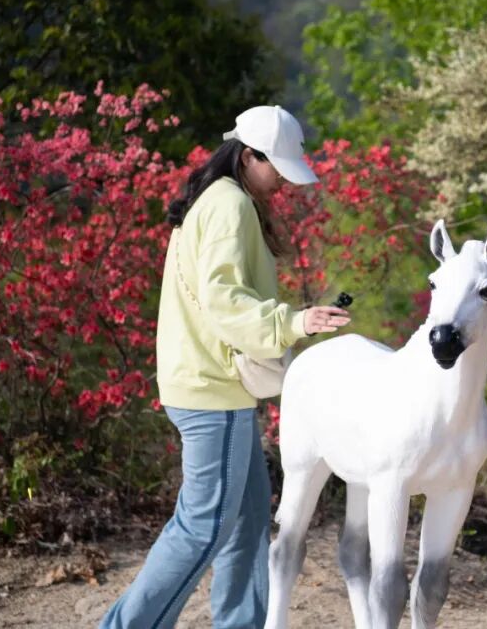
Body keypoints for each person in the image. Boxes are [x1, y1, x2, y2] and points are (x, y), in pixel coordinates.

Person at [99, 105, 351, 629]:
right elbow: (226, 301)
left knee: (248, 519)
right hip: (213, 392)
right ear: (248, 155)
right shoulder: (231, 205)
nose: (283, 181)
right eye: (277, 168)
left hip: (210, 386)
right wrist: (297, 322)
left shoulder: (217, 198)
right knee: (203, 527)